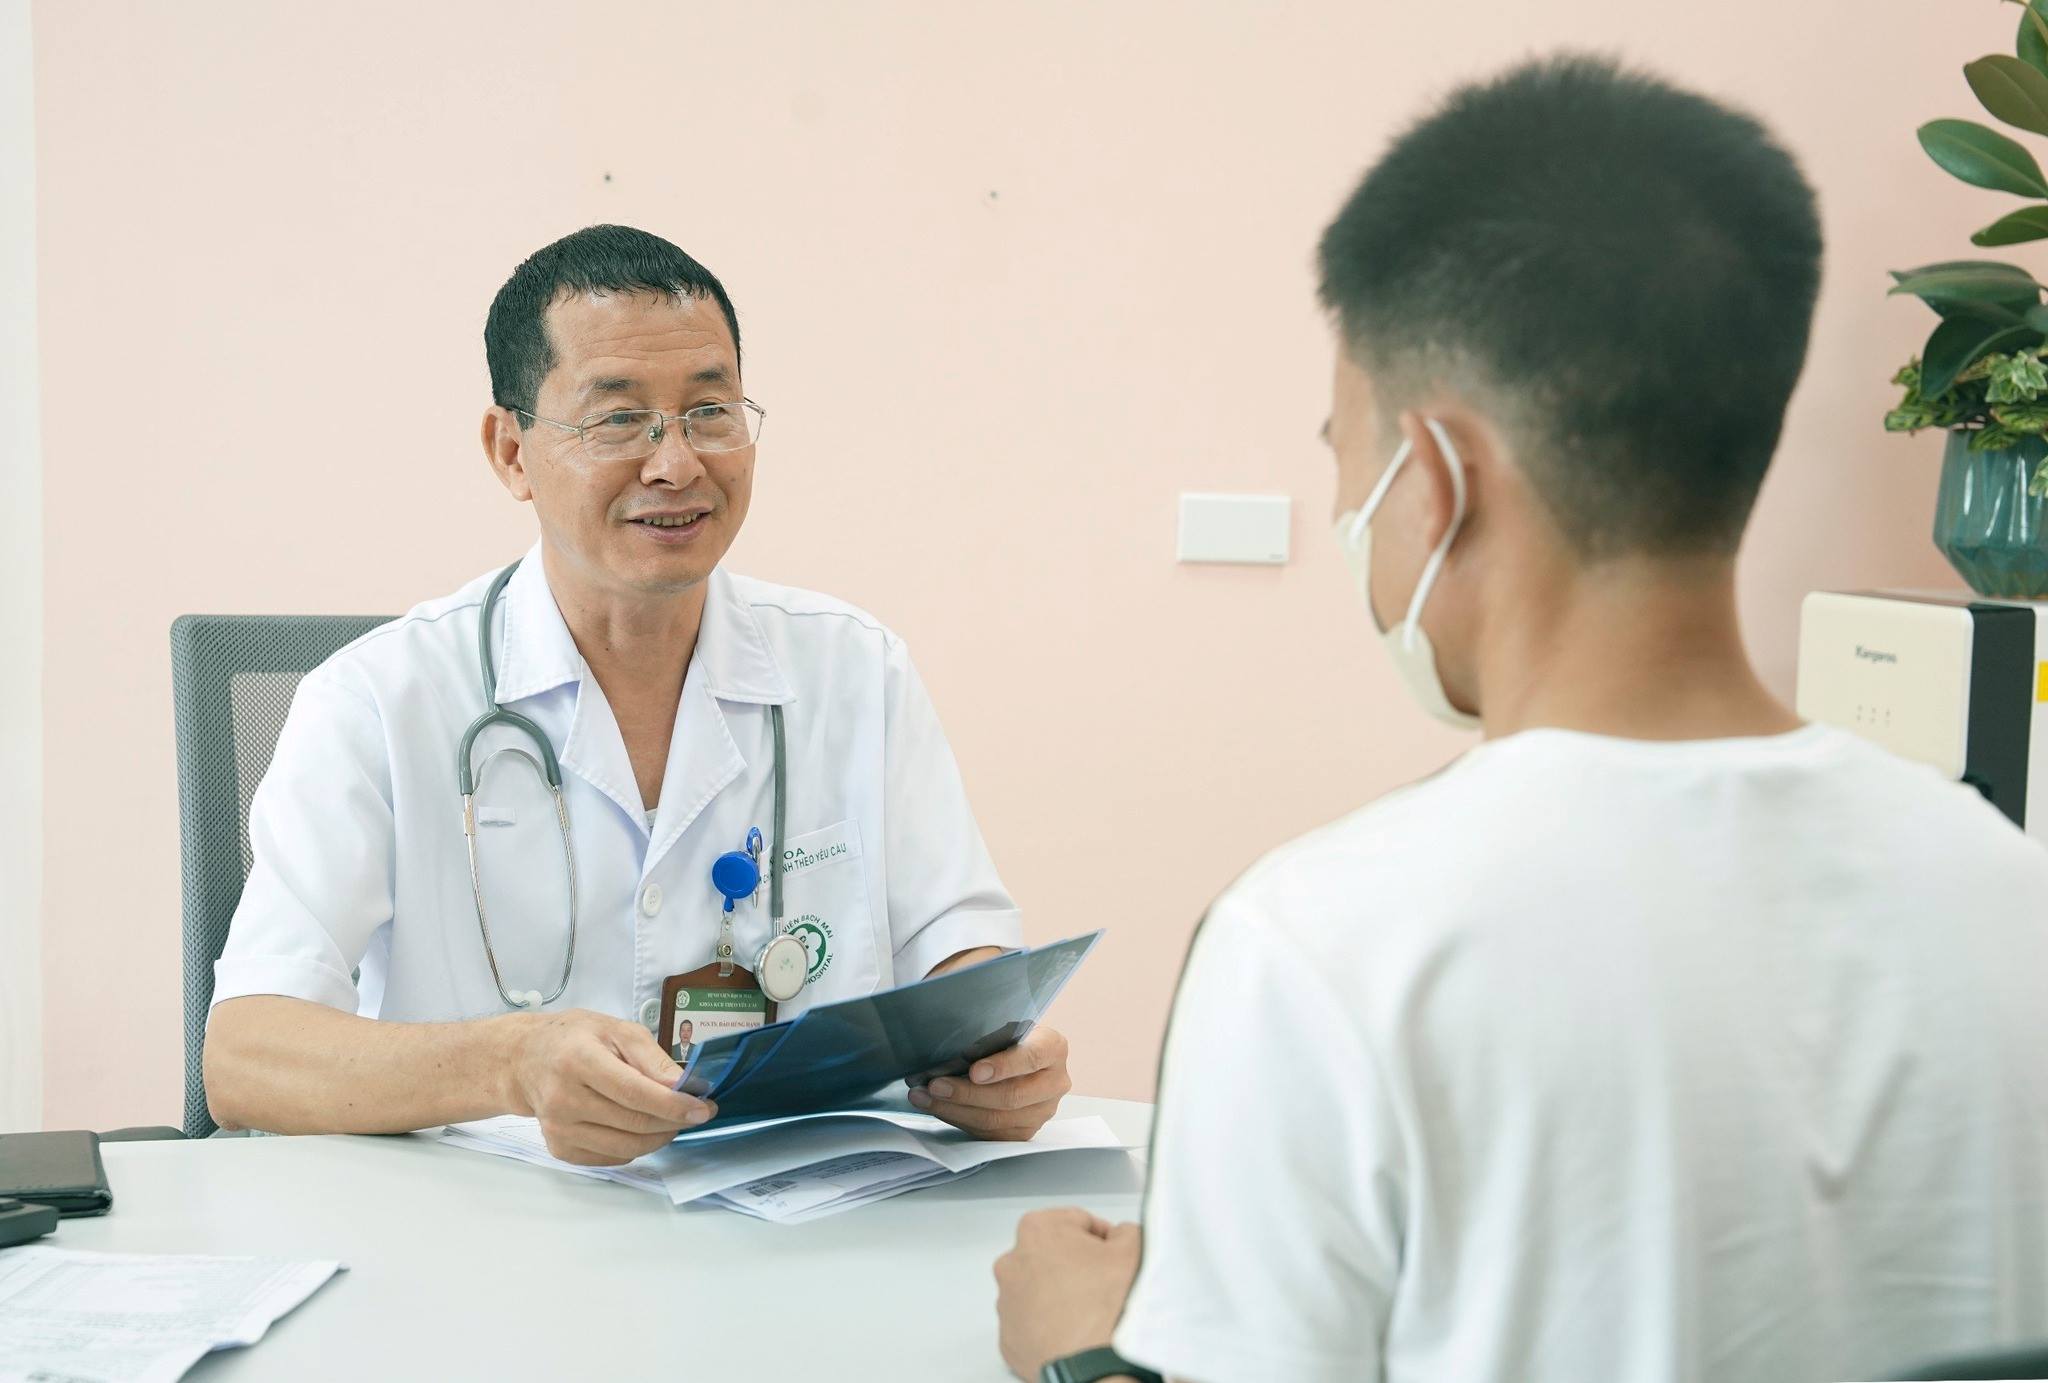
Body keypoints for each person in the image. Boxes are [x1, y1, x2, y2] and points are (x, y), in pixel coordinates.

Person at [995, 56, 2048, 1383]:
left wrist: (1082, 1353)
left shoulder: (1327, 946)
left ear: (1433, 480)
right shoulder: (2014, 894)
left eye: (1345, 456)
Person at [205, 225, 1070, 1165]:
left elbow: (964, 951)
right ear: (510, 452)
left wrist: (1003, 1059)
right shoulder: (378, 700)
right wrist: (510, 1065)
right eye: (619, 420)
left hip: (786, 1231)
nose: (676, 463)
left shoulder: (856, 673)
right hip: (489, 1250)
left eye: (711, 412)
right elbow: (248, 1054)